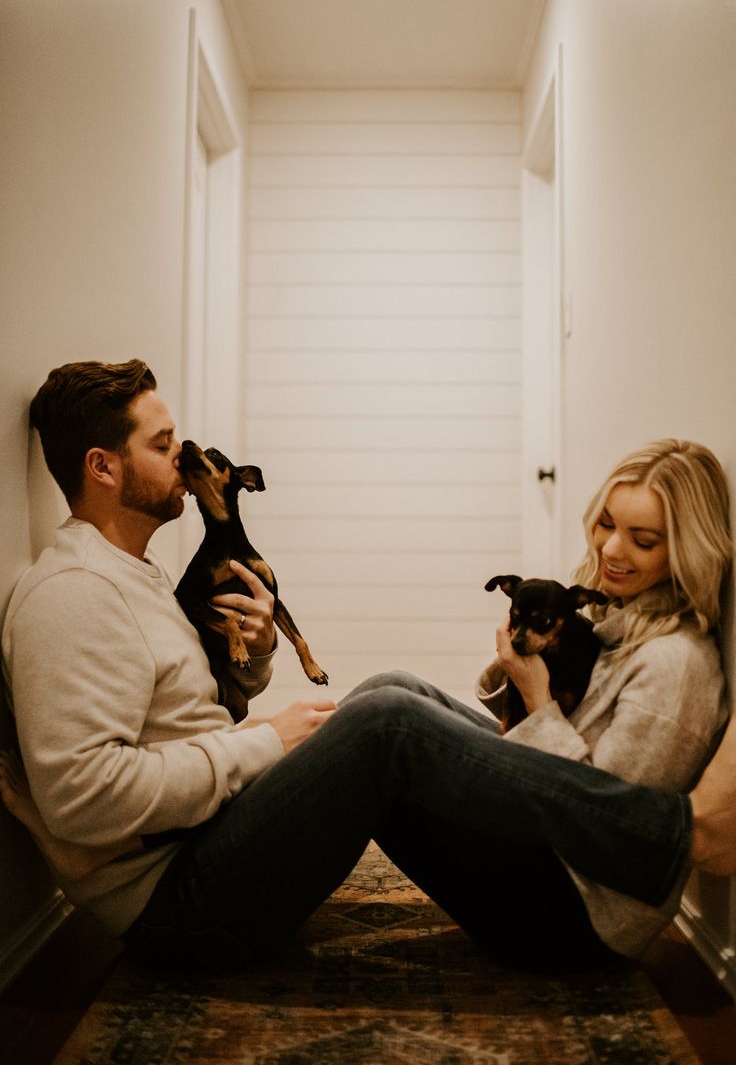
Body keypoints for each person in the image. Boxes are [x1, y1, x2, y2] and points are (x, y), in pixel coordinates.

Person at [0, 358, 734, 974]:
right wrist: (265, 743)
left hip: (202, 846)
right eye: (164, 447)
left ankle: (666, 830)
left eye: (642, 539)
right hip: (181, 909)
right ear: (102, 466)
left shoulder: (136, 575)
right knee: (385, 724)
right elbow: (86, 798)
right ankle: (679, 834)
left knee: (388, 693)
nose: (187, 461)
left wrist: (254, 659)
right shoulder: (75, 595)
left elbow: (182, 711)